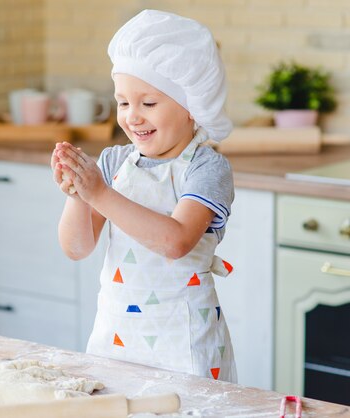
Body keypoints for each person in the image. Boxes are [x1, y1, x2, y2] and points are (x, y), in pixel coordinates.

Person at [50, 9, 236, 382]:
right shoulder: (116, 161)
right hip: (116, 337)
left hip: (184, 343)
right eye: (123, 103)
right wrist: (77, 194)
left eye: (148, 103)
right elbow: (77, 248)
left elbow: (176, 241)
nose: (132, 117)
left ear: (192, 108)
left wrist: (98, 192)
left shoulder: (207, 168)